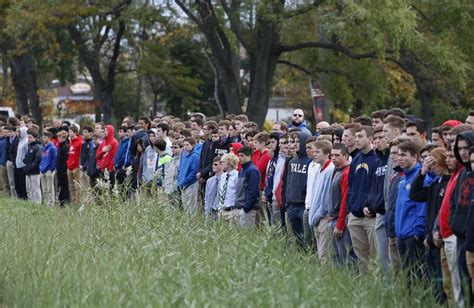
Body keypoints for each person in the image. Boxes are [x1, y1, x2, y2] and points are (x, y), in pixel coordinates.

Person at [409, 147, 450, 303]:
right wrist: (422, 172)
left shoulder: (448, 182)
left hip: (440, 238)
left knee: (442, 284)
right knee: (434, 283)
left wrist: (436, 233)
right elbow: (416, 194)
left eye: (433, 163)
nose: (431, 167)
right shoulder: (435, 183)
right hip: (430, 239)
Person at [395, 140, 427, 291]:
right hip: (401, 233)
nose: (399, 158)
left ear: (415, 157)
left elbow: (422, 206)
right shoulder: (403, 178)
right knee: (407, 277)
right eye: (398, 155)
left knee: (416, 277)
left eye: (403, 155)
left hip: (412, 235)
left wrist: (417, 231)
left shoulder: (420, 177)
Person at [347, 126, 377, 274]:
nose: (356, 139)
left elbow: (376, 187)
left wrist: (370, 206)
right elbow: (351, 186)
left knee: (375, 256)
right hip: (354, 215)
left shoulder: (377, 158)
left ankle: (377, 287)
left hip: (370, 216)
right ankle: (365, 286)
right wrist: (350, 207)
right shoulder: (355, 159)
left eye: (360, 136)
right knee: (361, 257)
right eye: (356, 136)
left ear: (370, 139)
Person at [450, 130, 474, 301]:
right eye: (460, 148)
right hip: (460, 237)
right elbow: (453, 202)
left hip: (472, 239)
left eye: (467, 148)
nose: (463, 152)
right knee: (464, 286)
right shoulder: (462, 174)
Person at [365, 127, 390, 269]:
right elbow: (373, 186)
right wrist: (368, 204)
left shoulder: (391, 159)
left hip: (388, 211)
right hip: (378, 212)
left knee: (391, 257)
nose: (378, 141)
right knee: (382, 257)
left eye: (382, 137)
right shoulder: (378, 160)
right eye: (376, 139)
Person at [329, 143, 356, 266]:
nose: (333, 158)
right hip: (334, 218)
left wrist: (340, 224)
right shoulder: (337, 171)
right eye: (332, 155)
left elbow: (345, 200)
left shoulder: (346, 172)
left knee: (346, 257)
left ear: (346, 156)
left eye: (337, 155)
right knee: (337, 256)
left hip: (342, 220)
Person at [308, 139, 335, 262]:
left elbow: (326, 198)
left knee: (325, 256)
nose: (314, 154)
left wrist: (318, 215)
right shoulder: (319, 169)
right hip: (316, 217)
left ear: (327, 154)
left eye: (318, 152)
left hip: (323, 218)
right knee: (320, 254)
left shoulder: (330, 170)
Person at [285, 131, 311, 248]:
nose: (294, 144)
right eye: (293, 141)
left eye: (297, 141)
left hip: (303, 206)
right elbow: (288, 183)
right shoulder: (291, 162)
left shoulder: (310, 162)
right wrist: (287, 204)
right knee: (297, 239)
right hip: (291, 205)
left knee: (307, 239)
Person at [235, 146, 261, 228]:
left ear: (249, 156)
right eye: (238, 155)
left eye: (242, 156)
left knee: (246, 235)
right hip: (240, 207)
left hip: (247, 209)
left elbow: (253, 191)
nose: (239, 158)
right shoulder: (242, 170)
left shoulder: (252, 170)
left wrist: (246, 208)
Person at [178, 137, 200, 213]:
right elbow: (180, 169)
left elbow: (194, 172)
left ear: (193, 145)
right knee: (185, 206)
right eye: (184, 145)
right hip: (183, 183)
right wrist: (180, 180)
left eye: (187, 145)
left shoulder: (195, 156)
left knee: (191, 206)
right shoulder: (183, 155)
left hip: (191, 183)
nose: (185, 147)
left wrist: (185, 181)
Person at [24, 130, 42, 204]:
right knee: (29, 188)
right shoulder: (30, 146)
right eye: (28, 137)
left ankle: (37, 202)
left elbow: (37, 159)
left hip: (35, 171)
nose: (29, 139)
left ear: (35, 138)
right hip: (28, 171)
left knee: (35, 188)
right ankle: (31, 201)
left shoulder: (37, 147)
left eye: (30, 137)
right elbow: (27, 158)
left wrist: (31, 167)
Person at [40, 131, 57, 207]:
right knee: (44, 188)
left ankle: (51, 204)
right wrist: (40, 167)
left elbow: (54, 159)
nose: (43, 139)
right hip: (42, 169)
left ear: (49, 138)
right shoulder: (44, 147)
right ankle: (46, 203)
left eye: (45, 137)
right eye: (43, 137)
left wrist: (51, 169)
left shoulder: (52, 148)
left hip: (49, 170)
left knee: (50, 188)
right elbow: (43, 158)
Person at [204, 156, 223, 221]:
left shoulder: (225, 179)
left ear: (222, 165)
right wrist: (206, 209)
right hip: (210, 209)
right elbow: (207, 196)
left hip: (220, 209)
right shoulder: (209, 181)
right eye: (213, 164)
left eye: (215, 164)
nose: (213, 166)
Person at [67, 126, 83, 204]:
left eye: (70, 132)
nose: (69, 133)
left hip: (76, 167)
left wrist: (78, 165)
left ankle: (78, 201)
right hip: (69, 167)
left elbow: (80, 155)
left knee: (77, 186)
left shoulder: (80, 142)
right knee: (71, 186)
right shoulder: (71, 142)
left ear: (75, 132)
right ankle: (73, 202)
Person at [163, 141, 182, 205]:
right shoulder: (172, 158)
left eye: (175, 147)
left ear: (181, 148)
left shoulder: (182, 159)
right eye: (172, 147)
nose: (173, 149)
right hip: (170, 187)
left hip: (177, 187)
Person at [56, 130, 70, 205]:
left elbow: (65, 160)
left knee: (64, 186)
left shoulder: (65, 147)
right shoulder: (60, 146)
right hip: (59, 169)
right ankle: (60, 201)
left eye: (59, 137)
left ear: (64, 138)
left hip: (63, 170)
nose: (58, 138)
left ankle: (65, 202)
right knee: (60, 186)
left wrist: (63, 170)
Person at [15, 126, 28, 200]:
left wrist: (24, 161)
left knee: (23, 183)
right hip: (18, 164)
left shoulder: (26, 141)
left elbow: (27, 153)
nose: (18, 133)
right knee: (20, 183)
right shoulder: (20, 141)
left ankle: (25, 197)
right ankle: (21, 196)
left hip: (23, 165)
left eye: (20, 132)